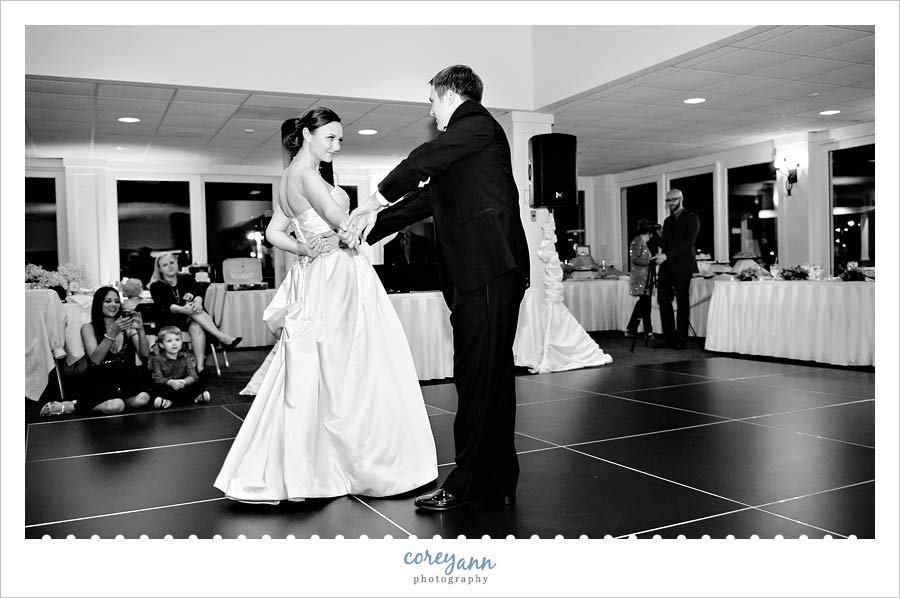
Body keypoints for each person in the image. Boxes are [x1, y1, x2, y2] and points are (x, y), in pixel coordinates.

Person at [214, 107, 438, 503]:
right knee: (355, 364)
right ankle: (358, 460)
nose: (336, 145)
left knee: (327, 366)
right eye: (330, 138)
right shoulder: (307, 176)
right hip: (338, 275)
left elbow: (274, 232)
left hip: (320, 274)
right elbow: (342, 223)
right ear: (306, 135)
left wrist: (305, 249)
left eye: (340, 139)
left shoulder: (288, 177)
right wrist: (368, 215)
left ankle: (317, 462)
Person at [345, 65, 530, 511]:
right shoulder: (467, 148)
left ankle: (467, 485)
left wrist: (373, 199)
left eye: (432, 100)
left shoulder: (477, 125)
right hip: (486, 273)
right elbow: (429, 198)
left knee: (477, 379)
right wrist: (366, 228)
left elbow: (423, 158)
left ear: (449, 95)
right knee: (490, 379)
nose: (430, 110)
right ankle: (498, 479)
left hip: (487, 270)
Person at [40, 286, 152, 416]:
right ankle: (75, 406)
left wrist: (140, 330)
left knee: (143, 398)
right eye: (108, 301)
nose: (113, 304)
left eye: (116, 301)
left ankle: (109, 403)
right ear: (99, 303)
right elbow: (96, 359)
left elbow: (145, 353)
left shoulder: (127, 328)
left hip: (123, 381)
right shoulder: (88, 328)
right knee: (116, 405)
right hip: (99, 383)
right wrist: (112, 333)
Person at [149, 252, 242, 372]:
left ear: (177, 263)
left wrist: (198, 302)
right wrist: (183, 309)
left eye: (172, 262)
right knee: (193, 312)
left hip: (192, 317)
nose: (170, 266)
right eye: (165, 265)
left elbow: (197, 294)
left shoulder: (186, 278)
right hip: (170, 320)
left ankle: (199, 367)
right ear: (160, 269)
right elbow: (165, 306)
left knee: (196, 325)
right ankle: (222, 337)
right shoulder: (156, 286)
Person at [651, 188, 700, 350]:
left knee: (682, 302)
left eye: (673, 199)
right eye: (668, 200)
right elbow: (665, 245)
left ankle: (682, 339)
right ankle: (670, 337)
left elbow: (688, 244)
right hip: (667, 267)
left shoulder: (692, 218)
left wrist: (666, 255)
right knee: (663, 300)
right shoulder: (667, 221)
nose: (670, 203)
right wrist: (657, 235)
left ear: (681, 199)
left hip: (683, 266)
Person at [149, 326, 210, 409]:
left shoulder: (186, 356)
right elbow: (157, 378)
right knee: (156, 389)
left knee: (199, 381)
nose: (174, 343)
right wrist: (170, 382)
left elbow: (193, 376)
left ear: (181, 342)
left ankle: (177, 400)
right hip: (168, 386)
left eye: (177, 340)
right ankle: (190, 398)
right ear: (161, 345)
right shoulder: (157, 359)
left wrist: (184, 382)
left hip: (182, 384)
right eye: (169, 341)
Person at [625, 219, 660, 338]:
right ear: (649, 233)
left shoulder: (641, 242)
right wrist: (649, 261)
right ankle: (647, 331)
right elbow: (634, 259)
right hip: (641, 279)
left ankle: (633, 328)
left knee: (643, 304)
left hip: (645, 278)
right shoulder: (638, 241)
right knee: (645, 305)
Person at [380, 226, 438, 292]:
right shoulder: (389, 247)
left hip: (424, 286)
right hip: (401, 288)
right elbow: (387, 271)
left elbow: (432, 265)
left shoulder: (424, 241)